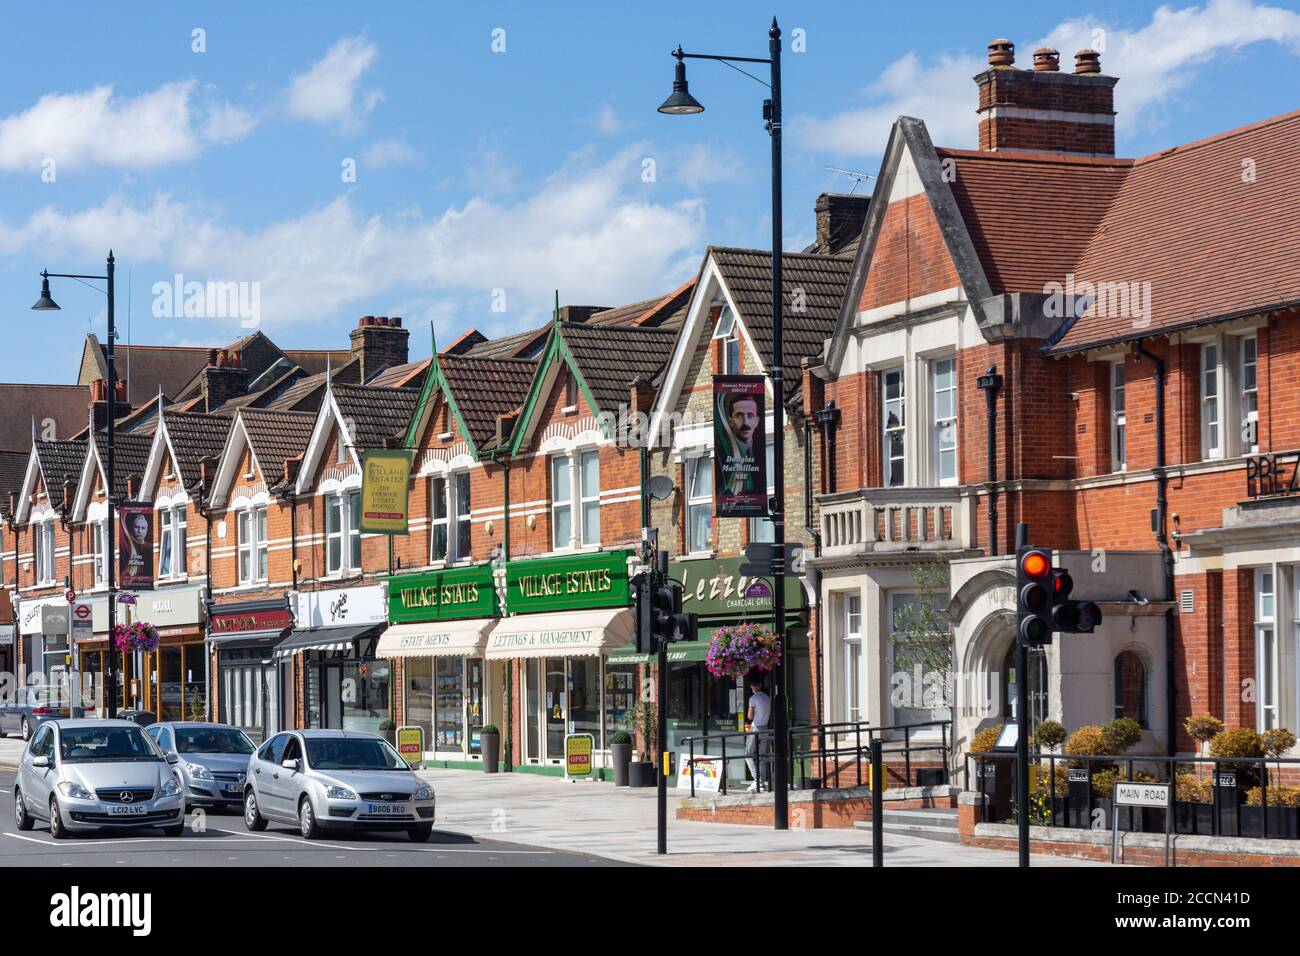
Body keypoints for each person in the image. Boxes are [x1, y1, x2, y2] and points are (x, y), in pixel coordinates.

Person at [744, 675, 771, 793]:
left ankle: (757, 780)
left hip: (756, 728)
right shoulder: (766, 697)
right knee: (763, 755)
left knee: (748, 754)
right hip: (765, 728)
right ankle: (762, 782)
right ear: (760, 685)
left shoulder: (753, 698)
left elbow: (749, 716)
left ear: (751, 686)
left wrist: (752, 711)